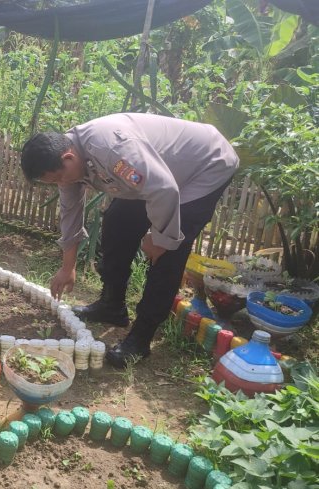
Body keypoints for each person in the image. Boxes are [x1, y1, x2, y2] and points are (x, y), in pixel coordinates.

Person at [20, 113, 239, 368]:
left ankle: (140, 339)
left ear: (68, 158)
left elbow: (164, 190)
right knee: (117, 222)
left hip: (205, 166)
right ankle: (112, 306)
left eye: (58, 178)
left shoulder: (112, 150)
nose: (60, 183)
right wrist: (67, 267)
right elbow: (70, 213)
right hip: (158, 174)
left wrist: (160, 239)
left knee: (169, 252)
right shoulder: (67, 161)